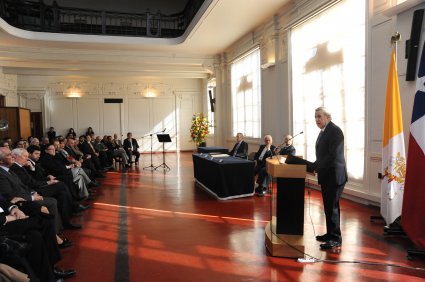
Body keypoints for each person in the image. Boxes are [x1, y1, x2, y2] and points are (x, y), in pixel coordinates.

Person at [311, 107, 347, 250]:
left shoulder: (335, 131)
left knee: (332, 207)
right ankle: (330, 234)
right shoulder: (323, 132)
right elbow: (322, 156)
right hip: (327, 175)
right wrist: (313, 166)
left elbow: (332, 156)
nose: (317, 119)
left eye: (319, 116)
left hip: (335, 176)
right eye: (315, 117)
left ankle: (336, 239)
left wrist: (315, 167)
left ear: (328, 117)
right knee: (328, 207)